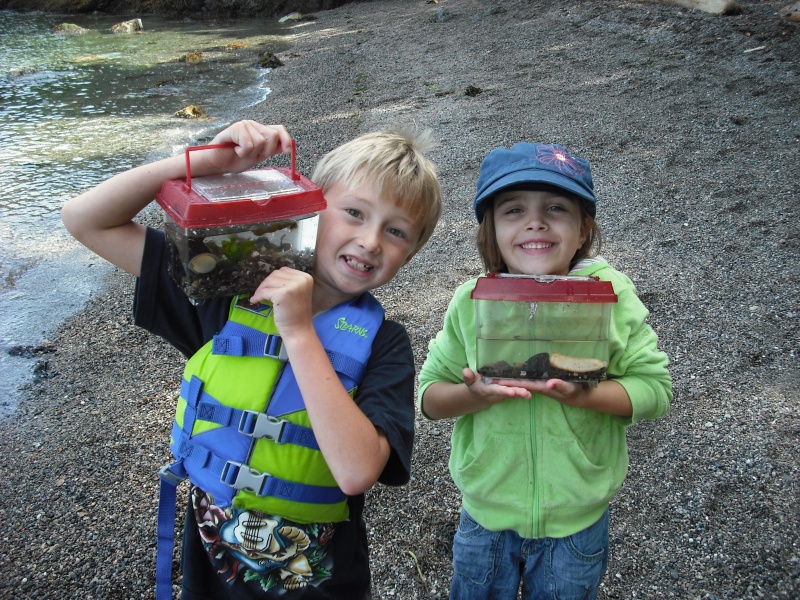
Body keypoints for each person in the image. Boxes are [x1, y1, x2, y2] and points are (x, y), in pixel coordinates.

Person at [61, 120, 442, 599]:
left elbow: (356, 470)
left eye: (396, 231)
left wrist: (300, 332)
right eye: (353, 212)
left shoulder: (386, 344)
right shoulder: (227, 292)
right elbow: (85, 219)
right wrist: (208, 163)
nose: (371, 241)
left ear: (410, 253)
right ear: (311, 207)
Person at [418, 142, 672, 599]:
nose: (536, 221)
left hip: (577, 516)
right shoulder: (470, 302)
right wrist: (473, 396)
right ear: (491, 232)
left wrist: (586, 395)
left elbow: (654, 388)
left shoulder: (611, 297)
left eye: (556, 208)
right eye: (513, 210)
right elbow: (430, 397)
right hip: (485, 510)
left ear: (582, 231)